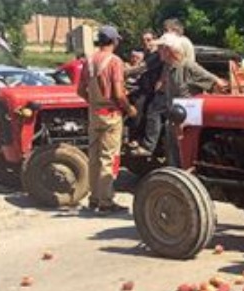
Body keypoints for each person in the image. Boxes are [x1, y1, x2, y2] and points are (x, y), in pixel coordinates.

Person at [76, 25, 136, 214]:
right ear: (114, 41)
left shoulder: (89, 60)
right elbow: (118, 93)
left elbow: (79, 90)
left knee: (93, 157)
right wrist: (129, 109)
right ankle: (106, 201)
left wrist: (93, 102)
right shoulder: (115, 61)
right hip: (111, 114)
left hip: (94, 113)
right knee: (108, 158)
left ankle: (94, 198)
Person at [154, 33, 227, 166]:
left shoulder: (189, 67)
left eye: (160, 48)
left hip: (186, 123)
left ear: (168, 50)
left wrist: (220, 84)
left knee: (185, 160)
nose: (158, 51)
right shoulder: (169, 68)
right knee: (173, 159)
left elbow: (215, 81)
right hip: (173, 120)